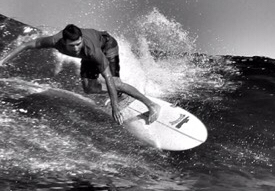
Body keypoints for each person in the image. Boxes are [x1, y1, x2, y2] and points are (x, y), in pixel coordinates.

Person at [0, 24, 160, 124]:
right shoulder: (55, 41)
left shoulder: (91, 50)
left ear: (81, 39)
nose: (76, 48)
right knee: (89, 88)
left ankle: (151, 105)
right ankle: (121, 93)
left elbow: (108, 77)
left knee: (115, 82)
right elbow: (27, 44)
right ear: (64, 42)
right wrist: (2, 60)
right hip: (88, 56)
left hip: (107, 46)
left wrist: (115, 107)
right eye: (72, 46)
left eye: (78, 43)